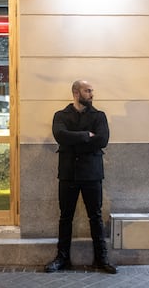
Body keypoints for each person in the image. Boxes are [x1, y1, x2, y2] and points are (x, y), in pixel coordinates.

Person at [45, 80, 117, 274]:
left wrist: (73, 140)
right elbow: (60, 135)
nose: (92, 94)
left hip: (92, 173)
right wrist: (87, 135)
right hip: (68, 173)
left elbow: (103, 140)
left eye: (92, 90)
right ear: (77, 93)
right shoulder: (61, 115)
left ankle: (101, 259)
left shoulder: (99, 116)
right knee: (65, 217)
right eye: (88, 91)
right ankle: (62, 258)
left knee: (95, 217)